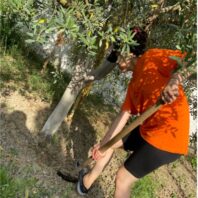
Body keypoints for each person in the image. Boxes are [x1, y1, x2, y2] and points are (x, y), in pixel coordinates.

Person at [77, 27, 190, 198]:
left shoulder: (153, 57)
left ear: (128, 51)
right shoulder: (133, 83)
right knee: (109, 145)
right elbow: (122, 117)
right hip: (149, 130)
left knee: (122, 179)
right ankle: (86, 182)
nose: (115, 62)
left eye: (117, 56)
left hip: (169, 139)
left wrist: (174, 79)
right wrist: (103, 145)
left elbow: (189, 61)